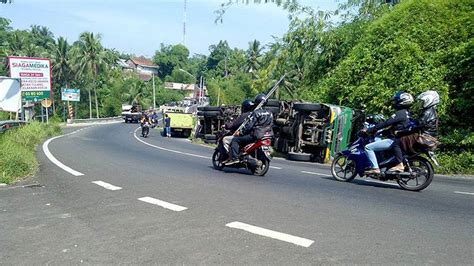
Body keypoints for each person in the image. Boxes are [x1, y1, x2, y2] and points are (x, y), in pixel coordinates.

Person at [363, 91, 414, 174]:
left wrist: (370, 130)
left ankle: (375, 168)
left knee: (368, 147)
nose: (394, 103)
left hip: (395, 140)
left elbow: (386, 123)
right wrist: (383, 132)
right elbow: (395, 127)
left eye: (396, 101)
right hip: (403, 139)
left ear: (401, 102)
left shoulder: (399, 113)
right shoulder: (408, 114)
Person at [225, 94, 274, 165]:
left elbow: (249, 126)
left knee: (235, 140)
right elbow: (271, 124)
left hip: (256, 135)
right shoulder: (270, 113)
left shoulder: (256, 112)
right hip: (268, 134)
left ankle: (234, 158)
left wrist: (240, 132)